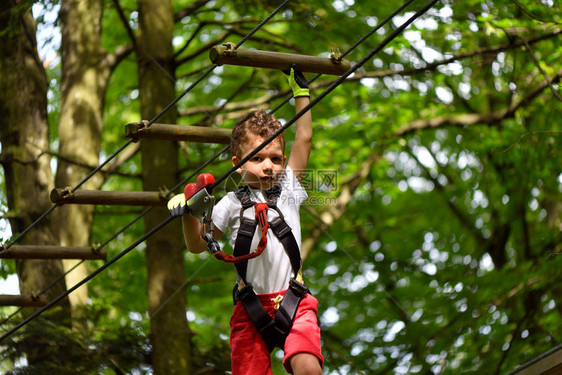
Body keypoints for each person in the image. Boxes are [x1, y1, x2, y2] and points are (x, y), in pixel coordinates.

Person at [174, 67, 323, 375]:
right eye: (257, 158)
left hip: (295, 301)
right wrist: (190, 213)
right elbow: (197, 245)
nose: (268, 166)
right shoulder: (230, 203)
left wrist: (301, 95)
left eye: (276, 158)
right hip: (250, 308)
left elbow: (304, 138)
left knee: (308, 367)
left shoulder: (289, 189)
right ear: (237, 164)